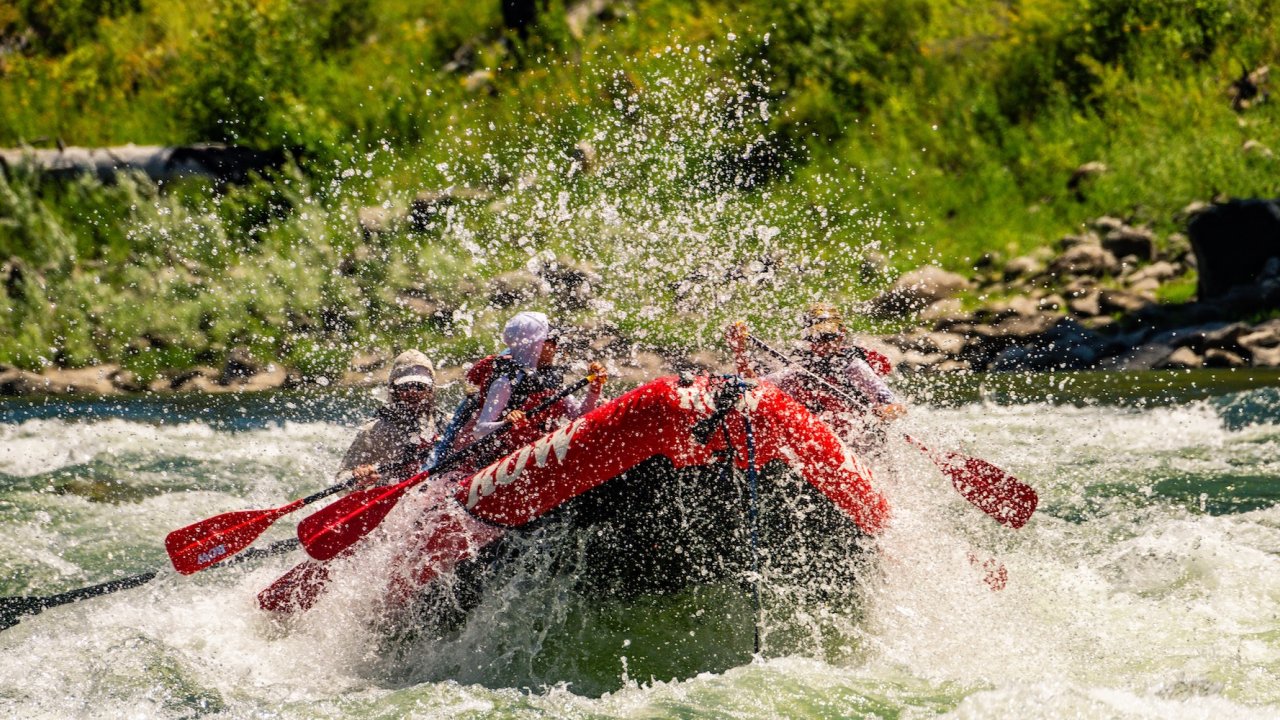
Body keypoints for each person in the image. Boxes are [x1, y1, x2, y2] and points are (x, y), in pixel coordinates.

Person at [727, 303, 905, 450]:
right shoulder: (799, 369)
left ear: (841, 334)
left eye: (828, 336)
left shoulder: (854, 367)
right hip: (819, 447)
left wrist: (884, 412)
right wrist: (739, 351)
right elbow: (754, 388)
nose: (822, 345)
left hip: (861, 447)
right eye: (816, 338)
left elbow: (896, 406)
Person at [467, 311, 607, 455]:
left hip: (541, 451)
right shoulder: (505, 382)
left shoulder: (551, 379)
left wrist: (594, 389)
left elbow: (579, 416)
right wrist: (506, 423)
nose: (556, 346)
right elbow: (480, 431)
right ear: (535, 344)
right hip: (505, 457)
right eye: (552, 340)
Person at [339, 349, 439, 489]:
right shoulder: (374, 431)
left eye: (420, 386)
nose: (413, 392)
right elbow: (341, 480)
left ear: (431, 389)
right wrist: (358, 478)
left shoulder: (448, 423)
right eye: (405, 386)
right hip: (391, 503)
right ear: (394, 390)